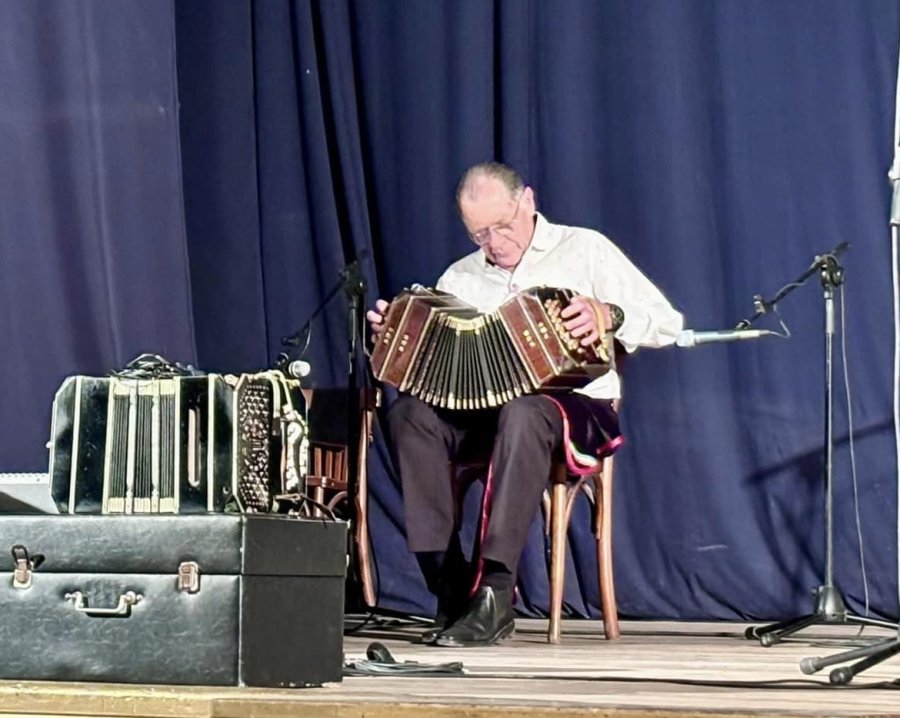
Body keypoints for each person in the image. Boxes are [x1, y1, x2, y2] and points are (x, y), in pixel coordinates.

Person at [367, 162, 683, 647]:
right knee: (409, 413)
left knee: (526, 410)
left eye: (502, 226)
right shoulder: (461, 278)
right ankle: (449, 585)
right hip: (485, 415)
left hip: (575, 408)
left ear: (528, 201)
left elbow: (668, 323)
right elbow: (435, 367)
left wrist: (609, 313)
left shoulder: (585, 249)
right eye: (479, 234)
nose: (493, 243)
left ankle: (495, 593)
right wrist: (399, 335)